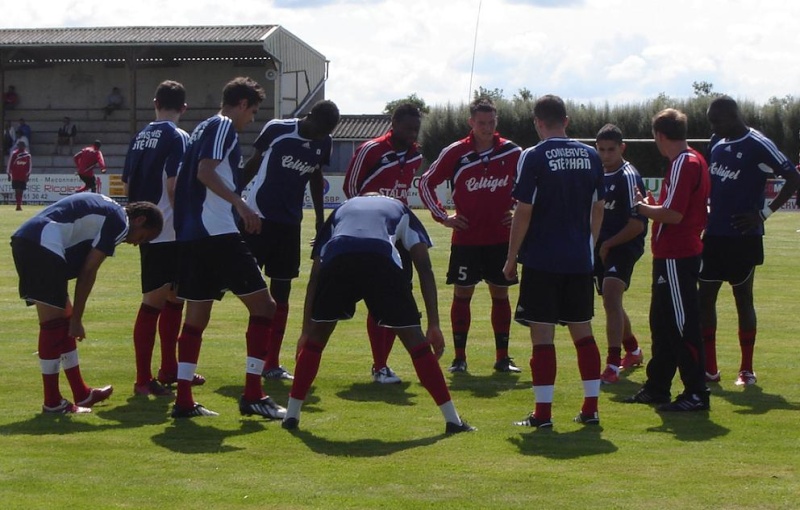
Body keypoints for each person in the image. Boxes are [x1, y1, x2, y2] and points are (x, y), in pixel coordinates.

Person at [282, 194, 476, 435]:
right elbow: (423, 267)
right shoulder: (401, 209)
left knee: (317, 340)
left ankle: (291, 416)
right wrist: (433, 324)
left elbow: (315, 275)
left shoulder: (342, 209)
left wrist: (306, 331)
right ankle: (452, 420)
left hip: (338, 256)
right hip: (380, 256)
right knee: (414, 340)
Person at [172, 76, 285, 419]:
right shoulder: (223, 125)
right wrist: (241, 204)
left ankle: (183, 400)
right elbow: (205, 173)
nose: (251, 119)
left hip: (193, 235)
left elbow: (182, 181)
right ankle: (253, 393)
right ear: (240, 105)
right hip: (217, 234)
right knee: (265, 308)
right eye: (252, 111)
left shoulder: (200, 128)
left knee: (196, 319)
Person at [503, 94, 605, 428]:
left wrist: (511, 258)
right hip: (578, 259)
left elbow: (524, 211)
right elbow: (598, 206)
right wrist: (588, 246)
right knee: (583, 333)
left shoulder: (533, 156)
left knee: (542, 337)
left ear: (537, 122)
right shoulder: (591, 155)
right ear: (567, 120)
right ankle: (590, 409)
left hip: (543, 259)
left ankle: (543, 414)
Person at [11, 194, 163, 413]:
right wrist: (78, 320)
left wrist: (72, 318)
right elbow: (89, 269)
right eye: (143, 237)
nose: (136, 243)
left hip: (32, 240)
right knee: (54, 326)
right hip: (42, 244)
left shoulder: (111, 209)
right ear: (139, 220)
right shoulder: (121, 221)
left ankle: (82, 394)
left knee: (61, 321)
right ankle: (53, 403)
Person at [700, 96, 800, 386]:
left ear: (733, 117)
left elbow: (792, 177)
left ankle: (746, 369)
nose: (714, 127)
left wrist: (764, 213)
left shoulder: (758, 143)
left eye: (717, 121)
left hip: (744, 237)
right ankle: (710, 369)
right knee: (704, 298)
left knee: (743, 298)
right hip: (714, 235)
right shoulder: (716, 143)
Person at [419, 97, 522, 374]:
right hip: (466, 239)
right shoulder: (455, 152)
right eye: (481, 123)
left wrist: (517, 211)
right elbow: (426, 183)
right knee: (462, 294)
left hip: (501, 238)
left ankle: (503, 358)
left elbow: (532, 187)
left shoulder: (513, 152)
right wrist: (443, 217)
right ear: (471, 123)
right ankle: (459, 359)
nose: (486, 128)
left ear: (496, 122)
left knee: (500, 295)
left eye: (491, 123)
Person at [240, 99, 340, 381]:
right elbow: (252, 164)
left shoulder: (325, 142)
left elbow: (315, 177)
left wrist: (321, 220)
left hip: (288, 225)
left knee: (281, 293)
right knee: (239, 288)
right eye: (319, 129)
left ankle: (270, 362)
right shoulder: (277, 129)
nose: (320, 136)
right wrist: (234, 199)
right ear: (310, 117)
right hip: (257, 218)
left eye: (326, 132)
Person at [624, 108, 711, 412]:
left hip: (678, 255)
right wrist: (652, 204)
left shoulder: (682, 163)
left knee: (681, 323)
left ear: (659, 136)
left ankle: (696, 392)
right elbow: (673, 207)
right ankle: (658, 387)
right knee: (662, 323)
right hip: (672, 255)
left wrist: (640, 207)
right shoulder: (690, 160)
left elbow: (674, 215)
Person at [122, 80, 202, 396]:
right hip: (169, 229)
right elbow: (174, 184)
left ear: (155, 102)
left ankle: (169, 369)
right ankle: (144, 380)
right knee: (158, 303)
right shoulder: (179, 137)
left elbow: (128, 185)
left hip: (147, 227)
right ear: (184, 108)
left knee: (171, 300)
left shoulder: (139, 137)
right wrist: (187, 224)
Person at [343, 102, 423, 384]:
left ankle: (381, 365)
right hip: (368, 234)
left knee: (396, 298)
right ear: (394, 124)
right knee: (374, 300)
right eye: (408, 128)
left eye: (417, 128)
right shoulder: (371, 149)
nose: (413, 133)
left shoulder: (415, 156)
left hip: (398, 235)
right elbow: (350, 188)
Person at [593, 124, 648, 384]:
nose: (606, 155)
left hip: (624, 244)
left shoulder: (628, 176)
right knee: (611, 302)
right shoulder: (597, 173)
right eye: (601, 150)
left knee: (612, 296)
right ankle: (634, 350)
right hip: (602, 246)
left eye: (611, 150)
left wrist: (608, 244)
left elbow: (637, 224)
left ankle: (612, 365)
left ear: (622, 148)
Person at [7, 139, 32, 211]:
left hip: (23, 175)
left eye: (23, 146)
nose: (22, 147)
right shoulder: (14, 154)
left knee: (21, 190)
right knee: (17, 190)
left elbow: (29, 166)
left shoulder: (27, 155)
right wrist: (9, 174)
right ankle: (18, 205)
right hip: (15, 175)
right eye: (20, 145)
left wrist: (28, 175)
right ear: (18, 146)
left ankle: (19, 204)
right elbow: (10, 164)